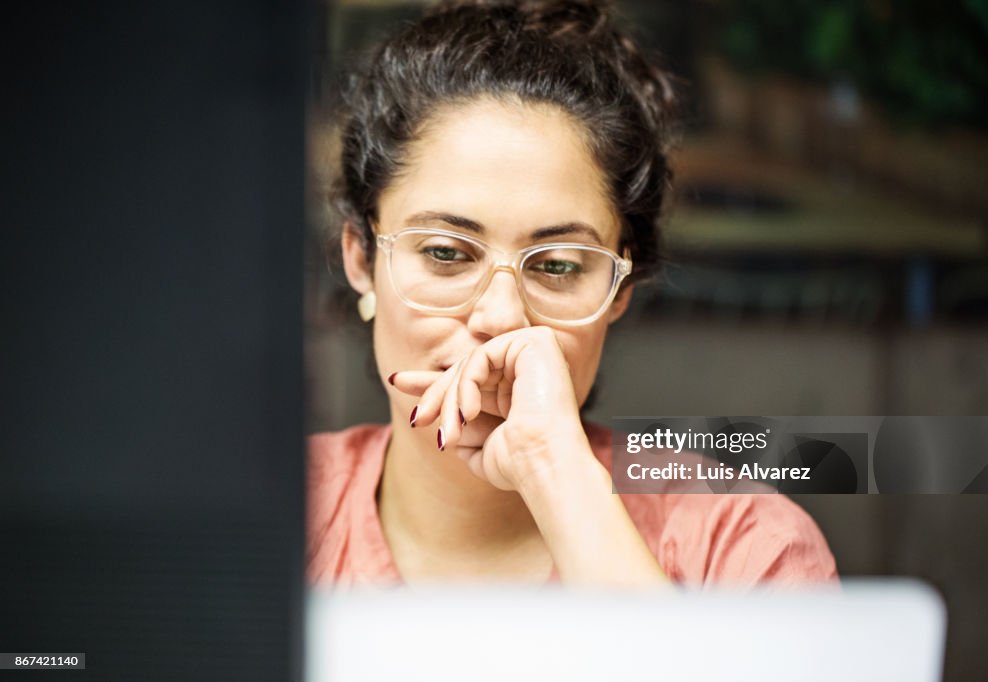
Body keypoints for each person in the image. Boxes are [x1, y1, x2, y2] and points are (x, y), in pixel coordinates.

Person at [307, 0, 836, 587]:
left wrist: (553, 472)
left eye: (558, 266)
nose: (501, 317)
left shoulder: (746, 550)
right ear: (361, 257)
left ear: (619, 289)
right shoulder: (266, 520)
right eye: (445, 253)